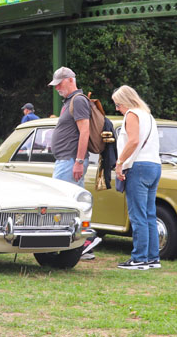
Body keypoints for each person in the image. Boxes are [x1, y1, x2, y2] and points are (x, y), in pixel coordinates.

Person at [48, 66, 101, 259]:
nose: (57, 88)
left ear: (70, 80)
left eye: (59, 84)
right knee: (72, 204)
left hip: (71, 160)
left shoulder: (78, 101)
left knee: (64, 205)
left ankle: (84, 243)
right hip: (67, 159)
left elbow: (84, 131)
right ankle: (83, 245)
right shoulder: (71, 101)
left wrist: (78, 161)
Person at [112, 85, 161, 270]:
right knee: (149, 214)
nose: (117, 108)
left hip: (138, 165)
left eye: (118, 104)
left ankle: (139, 258)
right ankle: (152, 257)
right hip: (154, 165)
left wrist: (119, 162)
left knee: (137, 214)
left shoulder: (132, 114)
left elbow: (133, 141)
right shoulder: (148, 115)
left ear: (125, 101)